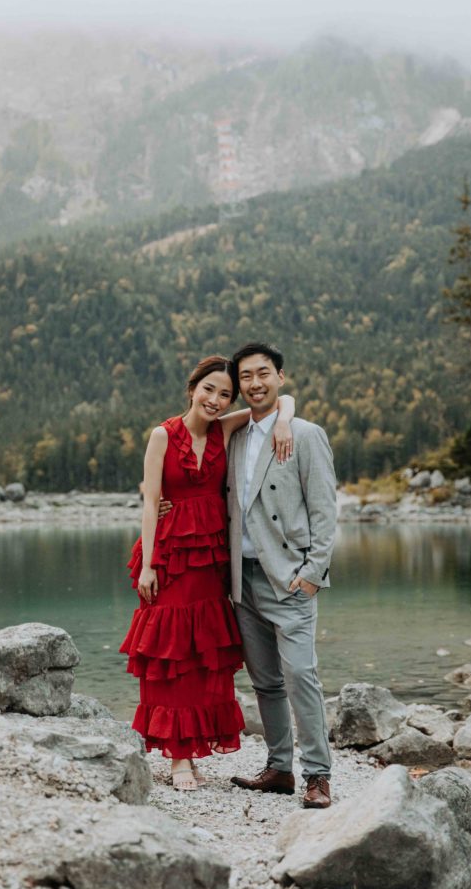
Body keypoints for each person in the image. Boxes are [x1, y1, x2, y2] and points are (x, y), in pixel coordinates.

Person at [119, 355, 295, 791]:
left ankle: (193, 750)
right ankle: (178, 759)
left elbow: (279, 401)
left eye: (224, 394)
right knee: (172, 655)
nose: (215, 400)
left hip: (213, 559)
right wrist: (148, 564)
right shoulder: (163, 435)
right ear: (192, 388)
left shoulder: (224, 428)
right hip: (172, 558)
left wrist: (286, 421)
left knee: (203, 658)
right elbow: (149, 502)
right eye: (208, 390)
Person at [227, 342, 337, 808]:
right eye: (247, 377)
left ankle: (318, 775)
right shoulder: (233, 435)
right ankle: (279, 768)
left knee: (301, 677)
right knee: (265, 681)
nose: (255, 383)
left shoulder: (306, 435)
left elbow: (325, 509)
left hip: (289, 577)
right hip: (242, 578)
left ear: (280, 378)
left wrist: (313, 573)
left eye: (263, 373)